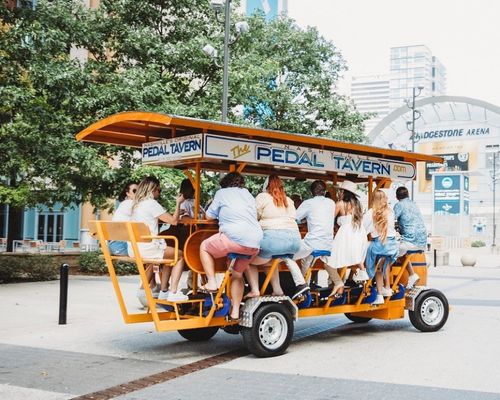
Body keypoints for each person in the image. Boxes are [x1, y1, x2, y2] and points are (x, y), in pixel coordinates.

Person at [199, 172, 263, 321]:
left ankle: (211, 282)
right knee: (237, 274)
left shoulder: (222, 193)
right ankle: (235, 312)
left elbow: (208, 216)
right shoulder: (247, 194)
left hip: (234, 239)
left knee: (204, 246)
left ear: (225, 183)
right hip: (254, 242)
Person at [245, 175, 307, 299]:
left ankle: (255, 290)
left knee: (246, 260)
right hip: (294, 242)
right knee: (269, 262)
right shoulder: (288, 200)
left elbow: (253, 216)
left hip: (273, 242)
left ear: (266, 187)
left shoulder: (262, 197)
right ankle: (277, 290)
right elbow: (294, 218)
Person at [129, 176, 188, 302]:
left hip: (134, 248)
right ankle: (173, 292)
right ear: (152, 190)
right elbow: (173, 221)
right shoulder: (151, 204)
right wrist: (178, 203)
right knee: (180, 255)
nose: (159, 193)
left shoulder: (136, 205)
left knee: (169, 254)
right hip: (148, 248)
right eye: (159, 190)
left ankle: (164, 290)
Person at [325, 180, 369, 298]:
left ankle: (338, 283)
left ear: (343, 192)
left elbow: (329, 220)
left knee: (329, 260)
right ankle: (361, 273)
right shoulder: (358, 204)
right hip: (359, 232)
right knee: (348, 258)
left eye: (340, 190)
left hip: (345, 234)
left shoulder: (340, 204)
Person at [294, 180, 336, 284]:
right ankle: (327, 282)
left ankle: (302, 284)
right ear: (324, 191)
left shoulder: (308, 203)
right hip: (329, 244)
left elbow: (295, 218)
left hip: (313, 243)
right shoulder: (331, 203)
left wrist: (304, 219)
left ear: (312, 192)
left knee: (295, 255)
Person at [363, 190, 399, 305]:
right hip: (392, 246)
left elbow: (364, 229)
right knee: (384, 263)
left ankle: (379, 294)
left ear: (374, 199)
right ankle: (387, 287)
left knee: (376, 266)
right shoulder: (390, 212)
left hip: (380, 245)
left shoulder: (370, 212)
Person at [394, 186, 427, 288]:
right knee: (401, 251)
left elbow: (390, 220)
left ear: (396, 196)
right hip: (422, 242)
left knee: (388, 251)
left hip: (411, 241)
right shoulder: (414, 205)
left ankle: (385, 283)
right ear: (408, 195)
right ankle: (412, 274)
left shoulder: (399, 205)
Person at [108, 181, 138, 255]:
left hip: (115, 245)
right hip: (121, 246)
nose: (138, 193)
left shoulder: (124, 204)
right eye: (135, 191)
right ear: (127, 193)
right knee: (152, 250)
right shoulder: (130, 204)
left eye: (140, 190)